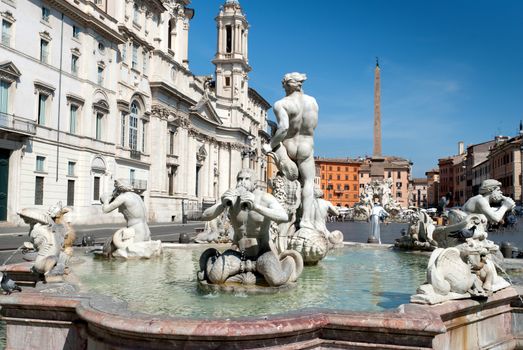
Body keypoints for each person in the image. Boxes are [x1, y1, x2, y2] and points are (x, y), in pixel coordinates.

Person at [201, 169, 302, 286]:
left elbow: (283, 216)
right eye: (239, 179)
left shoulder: (264, 198)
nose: (242, 182)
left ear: (254, 183)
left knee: (276, 280)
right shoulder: (232, 197)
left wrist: (256, 207)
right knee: (215, 278)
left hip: (263, 253)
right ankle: (214, 260)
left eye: (246, 179)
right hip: (239, 254)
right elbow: (205, 216)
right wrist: (223, 204)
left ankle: (288, 262)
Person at [262, 72, 318, 230]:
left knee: (286, 179)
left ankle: (283, 218)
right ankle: (306, 220)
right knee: (308, 182)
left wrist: (270, 144)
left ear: (286, 85)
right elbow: (313, 126)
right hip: (307, 146)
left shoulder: (281, 104)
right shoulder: (313, 102)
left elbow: (284, 128)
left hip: (288, 147)